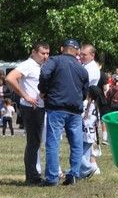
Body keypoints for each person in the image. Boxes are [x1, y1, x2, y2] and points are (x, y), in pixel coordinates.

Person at [38, 39, 90, 186]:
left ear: (62, 48)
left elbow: (44, 74)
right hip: (75, 110)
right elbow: (85, 91)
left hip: (57, 107)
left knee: (53, 143)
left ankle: (52, 178)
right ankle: (73, 174)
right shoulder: (82, 69)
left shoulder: (54, 60)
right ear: (78, 51)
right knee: (76, 143)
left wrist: (43, 90)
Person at [5, 42, 50, 184]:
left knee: (36, 142)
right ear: (33, 52)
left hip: (40, 107)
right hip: (31, 108)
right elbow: (10, 78)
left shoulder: (40, 66)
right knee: (33, 143)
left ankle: (34, 175)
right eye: (42, 53)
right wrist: (25, 96)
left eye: (48, 53)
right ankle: (32, 177)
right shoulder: (28, 65)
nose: (45, 56)